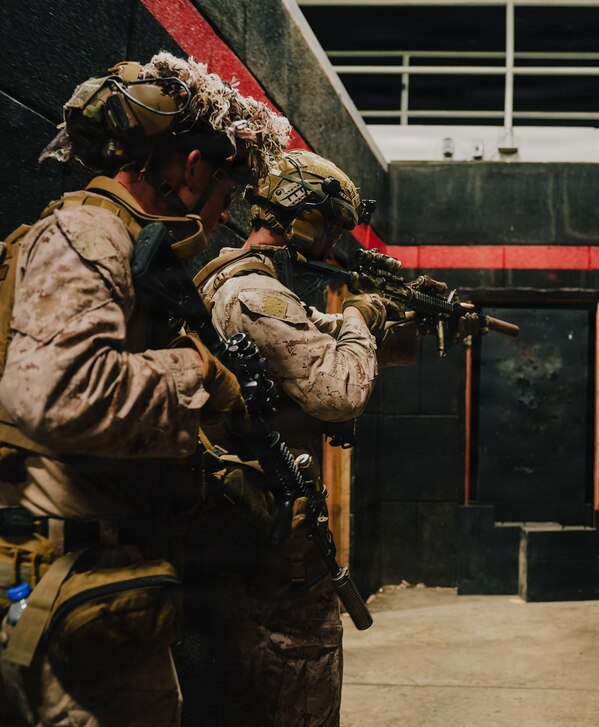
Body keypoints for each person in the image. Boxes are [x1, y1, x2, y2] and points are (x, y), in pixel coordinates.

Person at [0, 53, 288, 727]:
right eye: (224, 186)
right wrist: (199, 374)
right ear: (190, 167)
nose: (226, 212)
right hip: (57, 583)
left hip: (99, 578)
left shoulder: (124, 242)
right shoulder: (90, 233)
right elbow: (58, 393)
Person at [181, 149, 386, 727]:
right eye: (331, 229)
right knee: (298, 677)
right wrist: (359, 321)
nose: (331, 245)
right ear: (303, 219)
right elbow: (339, 391)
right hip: (263, 537)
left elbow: (294, 332)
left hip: (234, 526)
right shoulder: (256, 293)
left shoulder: (224, 276)